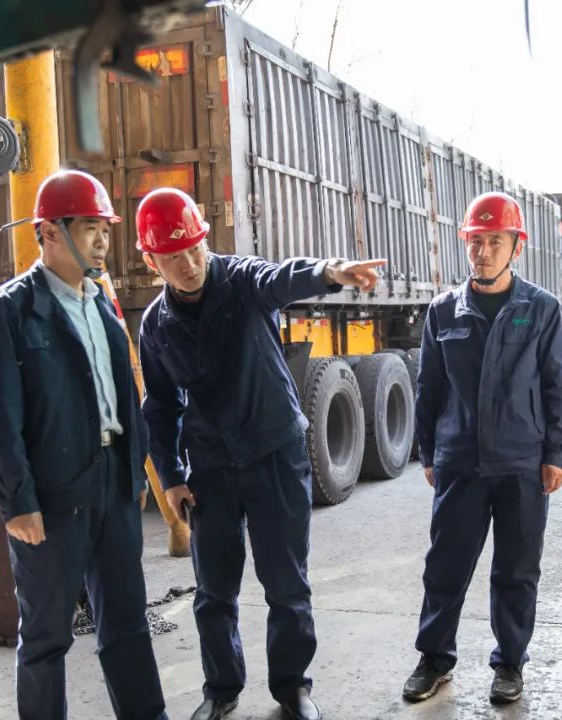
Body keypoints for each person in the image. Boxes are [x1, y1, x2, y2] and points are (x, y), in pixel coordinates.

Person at [135, 187, 385, 720]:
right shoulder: (156, 326)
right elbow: (160, 405)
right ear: (151, 260)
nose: (189, 265)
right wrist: (172, 475)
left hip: (274, 453)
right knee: (213, 591)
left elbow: (281, 278)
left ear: (206, 241)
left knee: (286, 583)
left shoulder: (242, 281)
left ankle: (293, 687)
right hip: (210, 469)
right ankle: (221, 689)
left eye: (195, 249)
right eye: (173, 257)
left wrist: (330, 271)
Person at [0, 169, 167, 720]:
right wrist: (18, 502)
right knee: (46, 636)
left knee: (126, 622)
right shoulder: (9, 310)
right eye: (89, 229)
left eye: (105, 230)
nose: (102, 242)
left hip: (112, 485)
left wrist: (133, 474)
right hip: (53, 496)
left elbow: (125, 397)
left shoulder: (100, 304)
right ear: (49, 232)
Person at [400, 191, 562, 706]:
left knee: (516, 570)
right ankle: (435, 659)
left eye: (494, 241)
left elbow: (560, 386)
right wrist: (429, 452)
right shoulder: (443, 311)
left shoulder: (540, 309)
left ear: (515, 247)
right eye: (475, 241)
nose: (482, 252)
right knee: (446, 566)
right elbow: (429, 388)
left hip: (523, 463)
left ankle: (510, 663)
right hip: (460, 462)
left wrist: (557, 453)